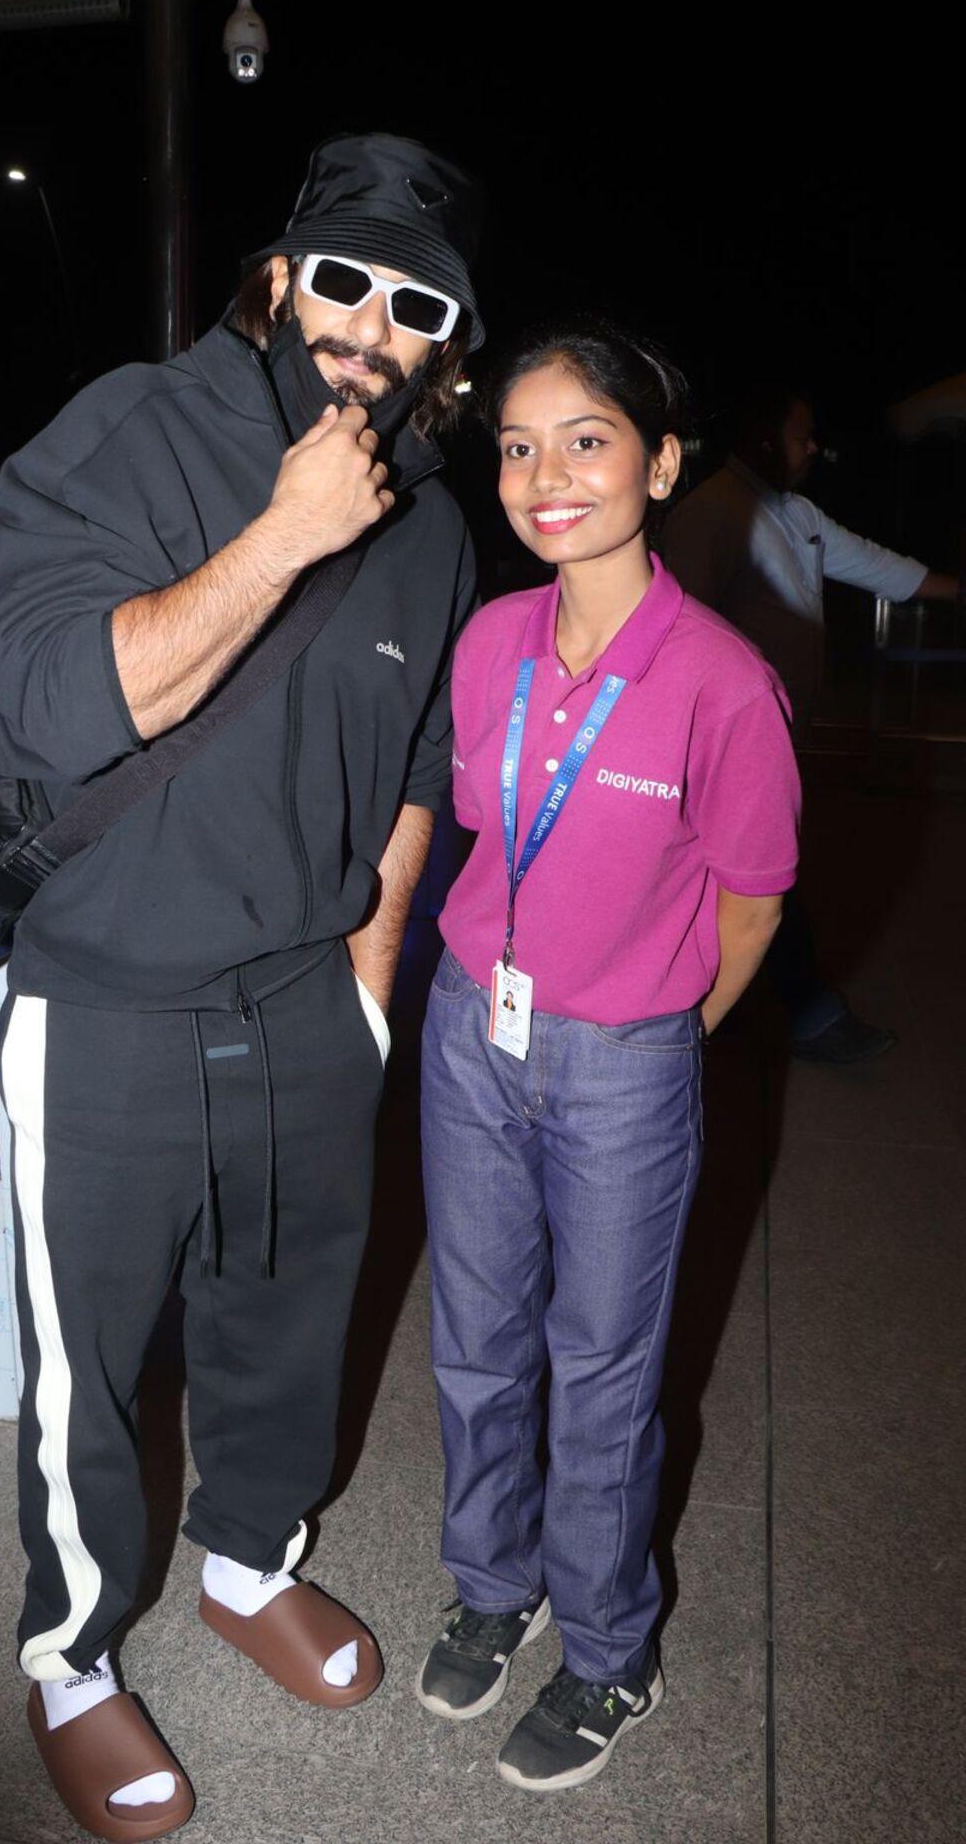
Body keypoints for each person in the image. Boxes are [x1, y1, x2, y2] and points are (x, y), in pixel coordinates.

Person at [0, 131, 482, 1843]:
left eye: (418, 303)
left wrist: (373, 979)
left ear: (443, 344)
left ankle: (253, 1564)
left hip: (306, 1002)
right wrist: (280, 533)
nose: (371, 324)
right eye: (344, 278)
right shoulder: (135, 430)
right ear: (278, 280)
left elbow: (420, 759)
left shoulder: (435, 526)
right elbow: (31, 697)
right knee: (85, 1365)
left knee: (284, 1324)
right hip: (103, 993)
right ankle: (74, 1660)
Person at [415, 322, 799, 1794]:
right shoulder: (491, 642)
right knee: (473, 1338)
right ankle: (494, 1586)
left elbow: (754, 903)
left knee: (601, 1367)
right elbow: (482, 828)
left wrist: (654, 1028)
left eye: (585, 438)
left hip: (628, 1057)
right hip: (473, 1030)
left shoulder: (721, 681)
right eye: (517, 444)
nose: (545, 474)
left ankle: (608, 1647)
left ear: (662, 461)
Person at [665, 384, 959, 1061]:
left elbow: (884, 569)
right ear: (764, 439)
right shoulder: (712, 513)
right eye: (804, 436)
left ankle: (726, 1016)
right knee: (760, 883)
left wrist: (955, 588)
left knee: (749, 883)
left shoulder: (796, 513)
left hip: (779, 744)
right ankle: (801, 1015)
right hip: (725, 748)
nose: (814, 448)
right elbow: (680, 626)